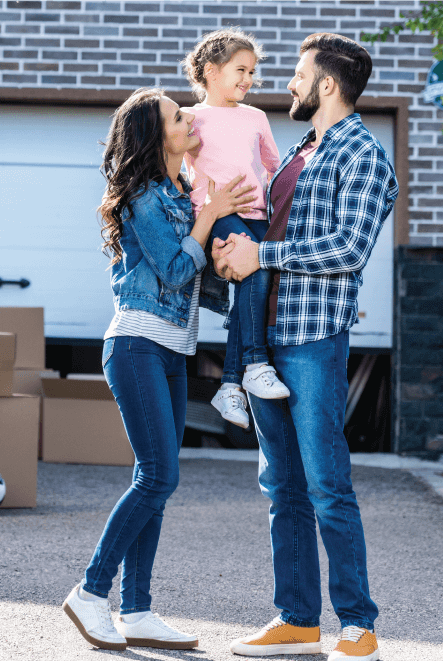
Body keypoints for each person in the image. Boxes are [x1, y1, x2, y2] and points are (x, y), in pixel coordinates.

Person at [213, 33, 398, 661]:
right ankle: (296, 619)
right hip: (263, 337)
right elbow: (263, 228)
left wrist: (262, 253)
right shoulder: (299, 149)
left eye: (297, 74)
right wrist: (232, 250)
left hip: (312, 337)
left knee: (325, 483)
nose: (286, 84)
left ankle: (357, 623)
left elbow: (348, 250)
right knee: (281, 486)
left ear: (326, 84)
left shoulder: (364, 156)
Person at [62, 87, 254, 652]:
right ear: (156, 136)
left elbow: (199, 280)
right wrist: (211, 217)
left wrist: (229, 252)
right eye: (177, 115)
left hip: (171, 349)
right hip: (137, 345)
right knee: (157, 476)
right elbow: (172, 272)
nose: (189, 117)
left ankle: (138, 610)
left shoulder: (181, 192)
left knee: (158, 481)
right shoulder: (144, 196)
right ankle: (92, 592)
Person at [181, 28, 290, 430]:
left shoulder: (257, 117)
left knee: (254, 287)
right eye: (240, 70)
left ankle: (230, 385)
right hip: (218, 214)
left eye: (252, 72)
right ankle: (256, 364)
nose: (248, 79)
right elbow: (170, 160)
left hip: (257, 214)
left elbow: (274, 168)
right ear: (211, 71)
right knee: (254, 278)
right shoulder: (191, 118)